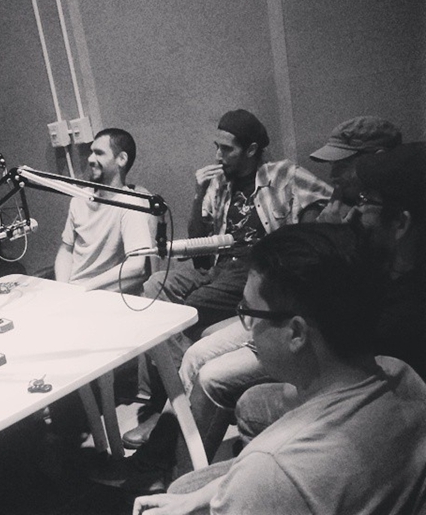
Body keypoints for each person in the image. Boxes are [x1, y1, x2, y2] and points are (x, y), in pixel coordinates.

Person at [133, 224, 426, 515]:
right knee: (186, 491)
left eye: (248, 312)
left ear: (296, 333)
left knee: (179, 487)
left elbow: (270, 479)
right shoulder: (402, 376)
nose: (248, 328)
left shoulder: (272, 470)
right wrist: (196, 499)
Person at [122, 109, 331, 448]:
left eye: (227, 149)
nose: (218, 156)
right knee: (153, 287)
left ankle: (176, 407)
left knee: (186, 308)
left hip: (254, 268)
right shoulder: (219, 183)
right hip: (218, 264)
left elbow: (328, 202)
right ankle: (176, 397)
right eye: (216, 147)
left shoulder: (283, 174)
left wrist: (296, 239)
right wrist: (197, 194)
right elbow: (199, 251)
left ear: (251, 150)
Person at [235, 141, 426, 445]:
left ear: (400, 223)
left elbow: (342, 379)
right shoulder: (387, 268)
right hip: (361, 389)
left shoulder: (402, 314)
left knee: (252, 402)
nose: (355, 213)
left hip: (375, 427)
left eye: (367, 200)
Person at [55, 128, 153, 293]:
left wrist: (83, 288)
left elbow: (136, 265)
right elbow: (66, 249)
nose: (90, 159)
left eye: (99, 153)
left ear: (121, 159)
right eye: (91, 152)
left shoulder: (130, 204)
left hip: (103, 293)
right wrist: (62, 288)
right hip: (72, 292)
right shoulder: (79, 199)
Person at [309, 116, 402, 223]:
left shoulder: (402, 211)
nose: (332, 175)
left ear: (379, 160)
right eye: (332, 165)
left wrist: (337, 231)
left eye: (343, 165)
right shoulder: (343, 205)